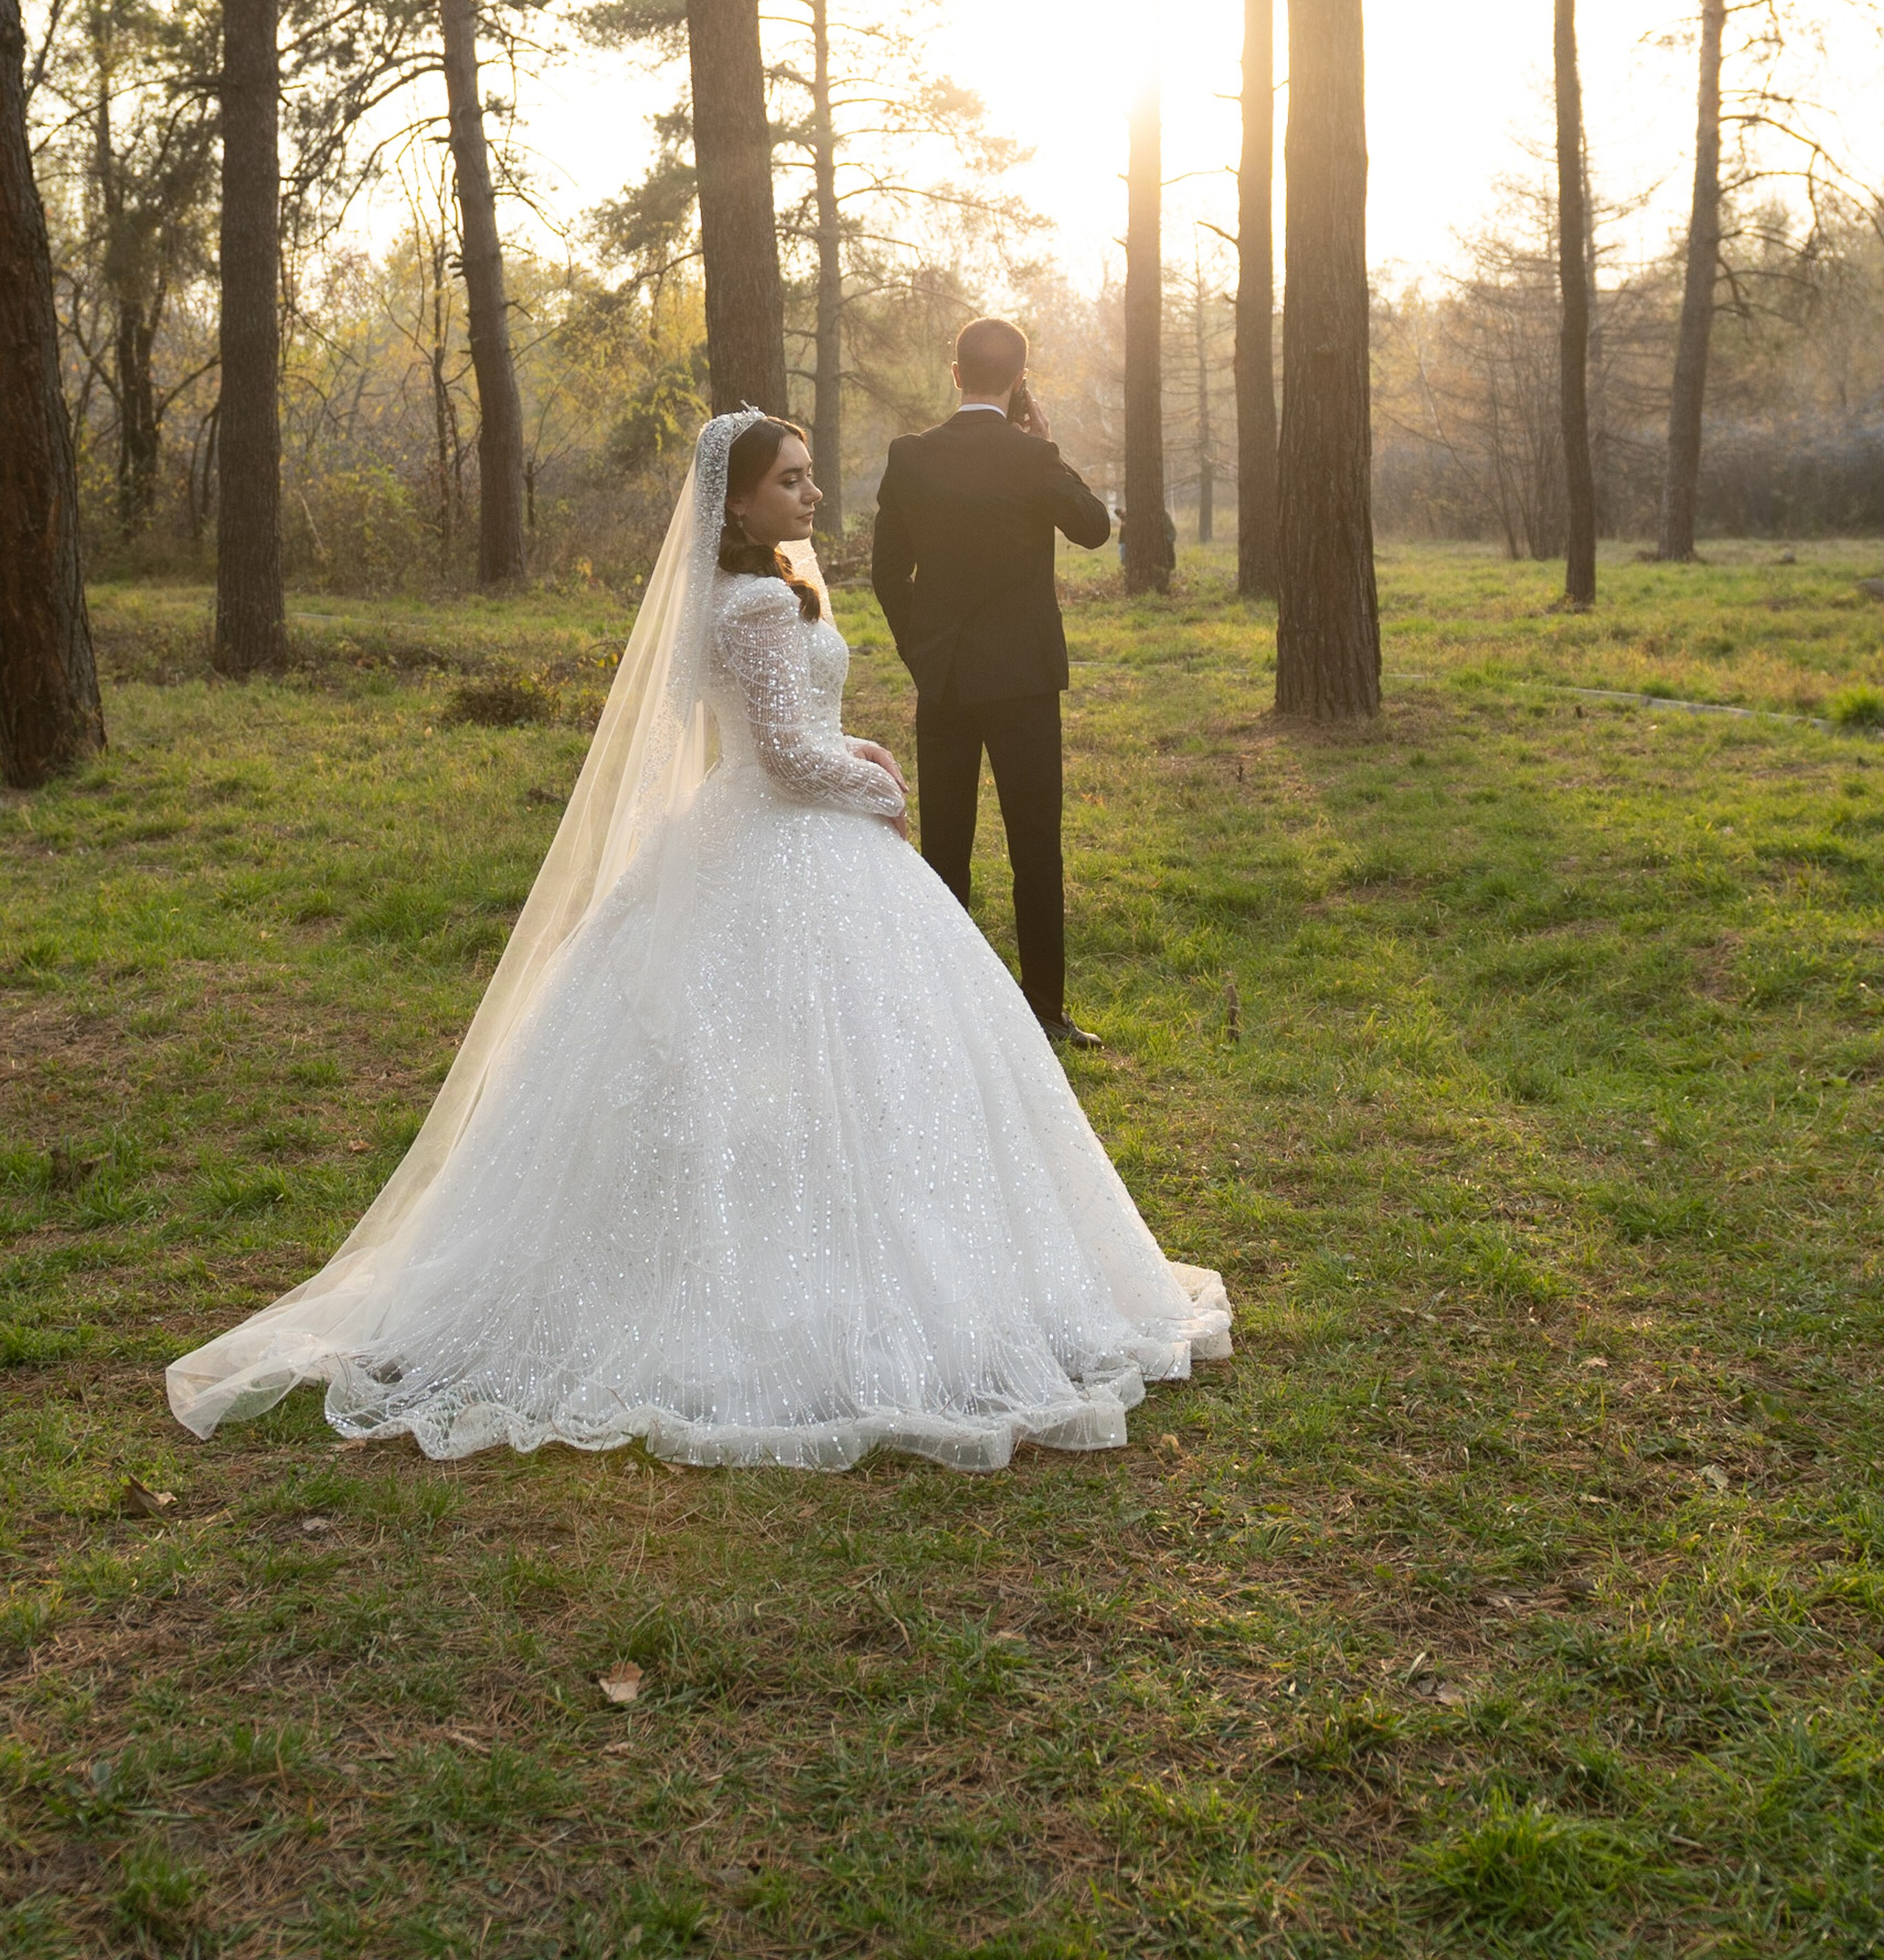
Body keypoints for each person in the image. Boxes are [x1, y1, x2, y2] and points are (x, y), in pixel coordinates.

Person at [166, 410, 1228, 1473]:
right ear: (740, 499)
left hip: (752, 829)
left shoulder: (749, 588)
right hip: (782, 839)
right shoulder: (760, 600)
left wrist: (846, 740)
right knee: (809, 1055)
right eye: (795, 481)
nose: (813, 497)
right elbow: (782, 761)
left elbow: (792, 730)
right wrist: (879, 786)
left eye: (812, 478)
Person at [871, 317, 1111, 1048]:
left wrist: (923, 652)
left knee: (945, 846)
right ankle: (1044, 1010)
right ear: (1019, 379)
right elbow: (1097, 528)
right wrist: (1048, 447)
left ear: (955, 372)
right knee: (1035, 844)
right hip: (1025, 682)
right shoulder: (1032, 455)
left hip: (943, 679)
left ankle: (948, 1011)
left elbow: (888, 572)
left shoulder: (911, 456)